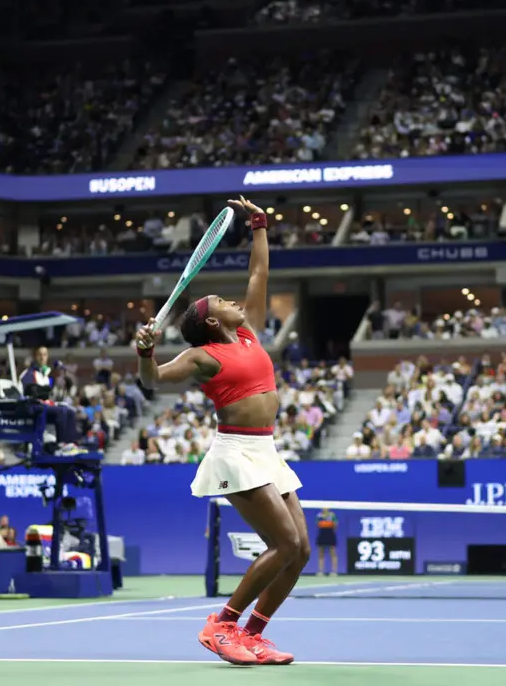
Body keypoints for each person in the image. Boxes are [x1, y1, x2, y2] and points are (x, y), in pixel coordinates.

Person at [135, 196, 303, 667]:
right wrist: (146, 354)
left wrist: (260, 226)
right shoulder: (201, 356)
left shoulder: (248, 335)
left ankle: (253, 634)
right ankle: (222, 624)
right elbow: (153, 382)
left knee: (302, 549)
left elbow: (257, 276)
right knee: (284, 543)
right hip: (235, 453)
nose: (236, 302)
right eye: (224, 303)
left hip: (267, 449)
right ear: (211, 320)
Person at [315, 506, 338, 576]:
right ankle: (320, 571)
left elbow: (335, 525)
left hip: (330, 535)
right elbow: (318, 524)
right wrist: (327, 524)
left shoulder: (332, 516)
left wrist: (328, 525)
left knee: (333, 553)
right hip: (322, 535)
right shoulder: (319, 516)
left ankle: (334, 571)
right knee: (321, 553)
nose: (325, 508)